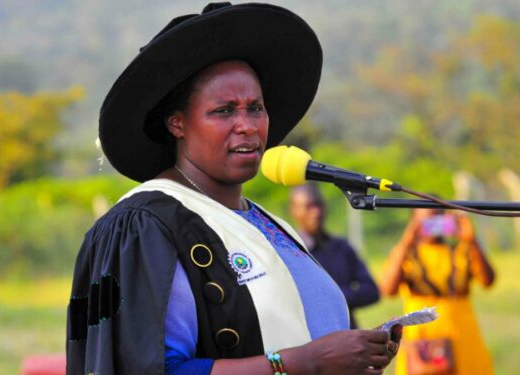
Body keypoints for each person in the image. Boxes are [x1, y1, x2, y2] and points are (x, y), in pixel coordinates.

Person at [66, 3, 401, 375]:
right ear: (178, 124)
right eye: (224, 110)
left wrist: (355, 360)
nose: (247, 126)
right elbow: (147, 369)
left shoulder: (264, 223)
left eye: (255, 108)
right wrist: (306, 362)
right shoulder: (147, 225)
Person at [380, 208, 495, 375]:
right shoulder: (406, 254)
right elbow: (388, 290)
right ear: (413, 223)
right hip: (422, 337)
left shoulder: (461, 251)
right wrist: (406, 242)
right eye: (426, 221)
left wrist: (472, 240)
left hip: (462, 335)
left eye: (437, 220)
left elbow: (488, 281)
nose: (432, 227)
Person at [289, 182, 380, 329]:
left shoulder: (341, 247)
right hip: (310, 343)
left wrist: (333, 296)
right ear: (293, 210)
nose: (316, 212)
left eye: (319, 205)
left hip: (348, 336)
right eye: (309, 206)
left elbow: (372, 291)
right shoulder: (289, 252)